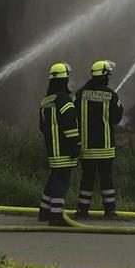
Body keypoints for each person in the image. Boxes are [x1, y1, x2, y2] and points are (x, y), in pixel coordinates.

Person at [73, 59, 123, 218]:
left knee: (86, 179)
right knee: (106, 180)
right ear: (104, 76)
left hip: (86, 147)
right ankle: (109, 210)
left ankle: (82, 210)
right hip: (105, 148)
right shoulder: (111, 95)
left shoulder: (79, 94)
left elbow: (72, 115)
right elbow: (116, 118)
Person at [37, 61, 79, 226]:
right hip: (64, 149)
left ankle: (44, 211)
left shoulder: (45, 101)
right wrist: (75, 144)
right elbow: (70, 125)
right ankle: (56, 216)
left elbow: (42, 126)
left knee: (53, 178)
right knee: (62, 182)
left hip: (51, 150)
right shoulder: (64, 100)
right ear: (65, 80)